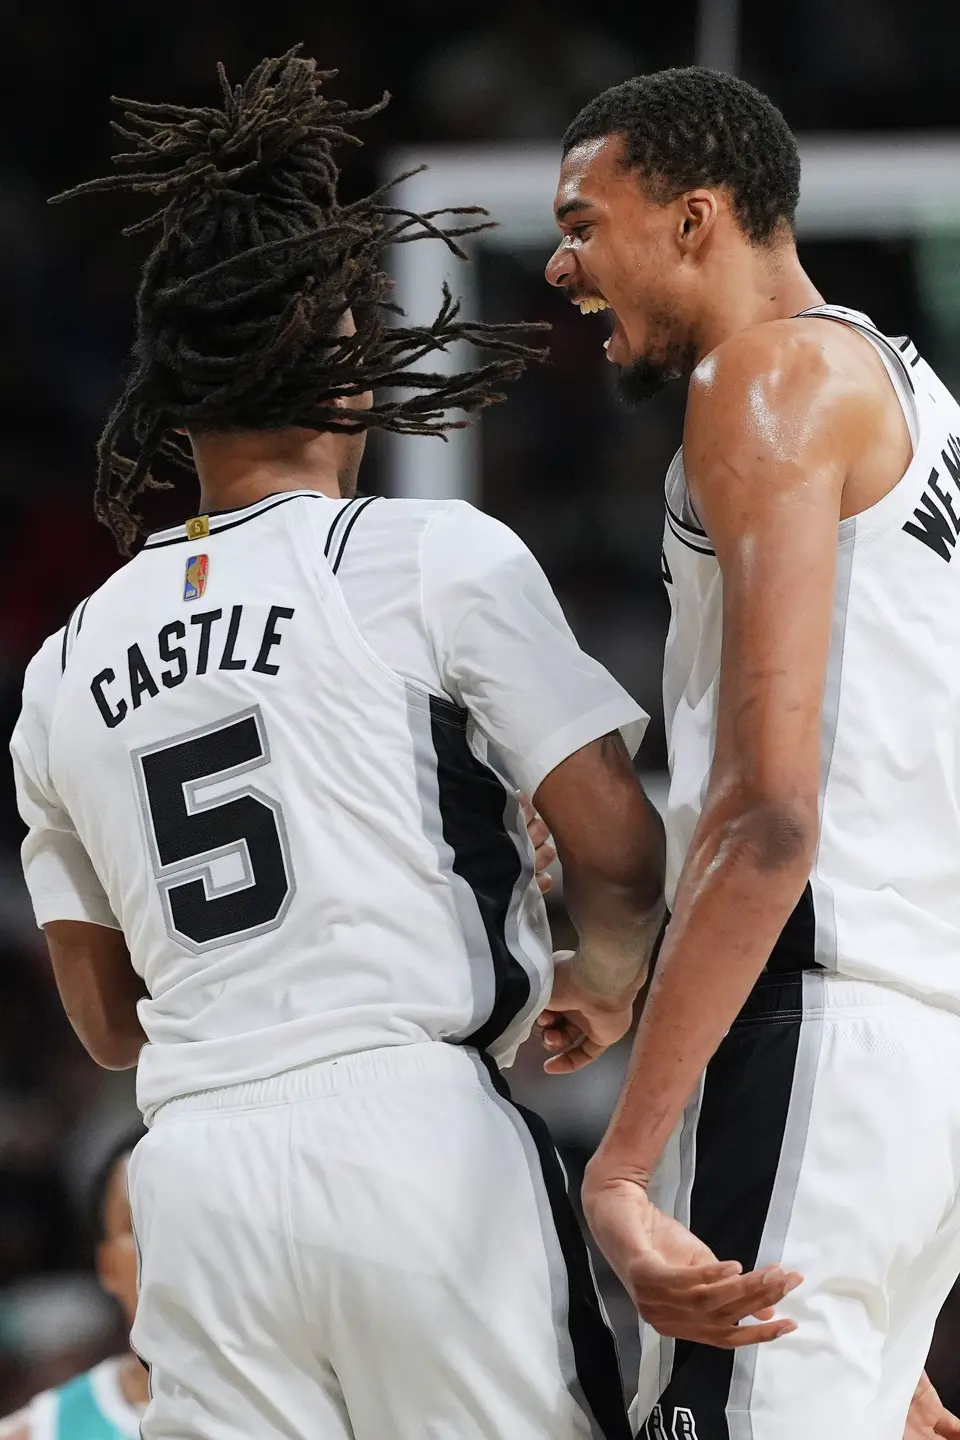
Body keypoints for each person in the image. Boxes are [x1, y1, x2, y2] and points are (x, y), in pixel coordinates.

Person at [6, 46, 725, 1440]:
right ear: (352, 363)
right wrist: (602, 976)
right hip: (411, 1138)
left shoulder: (61, 664)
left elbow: (101, 1022)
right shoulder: (421, 554)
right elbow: (625, 855)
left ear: (174, 395)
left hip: (195, 1178)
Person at [543, 66, 960, 1440]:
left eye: (583, 220)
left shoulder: (765, 375)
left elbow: (775, 819)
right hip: (912, 1065)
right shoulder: (915, 394)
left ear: (693, 218)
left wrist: (624, 1164)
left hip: (818, 1035)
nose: (559, 262)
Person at [0, 1133, 147, 1440]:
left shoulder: (272, 1404)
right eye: (138, 1225)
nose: (162, 1244)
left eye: (182, 1223)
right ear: (107, 1266)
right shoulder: (38, 1433)